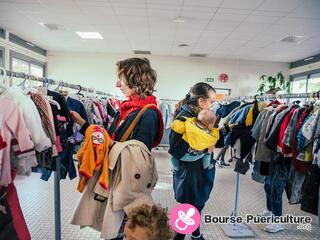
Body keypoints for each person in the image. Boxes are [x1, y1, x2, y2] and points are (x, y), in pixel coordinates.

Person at [71, 57, 164, 240]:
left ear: (135, 80)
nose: (117, 84)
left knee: (120, 233)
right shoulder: (127, 109)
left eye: (120, 78)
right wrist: (84, 126)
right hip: (118, 184)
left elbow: (136, 161)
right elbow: (111, 140)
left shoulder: (148, 114)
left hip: (126, 191)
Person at [169, 82, 228, 240]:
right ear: (201, 101)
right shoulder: (185, 118)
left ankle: (195, 234)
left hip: (198, 169)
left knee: (197, 202)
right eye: (211, 100)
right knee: (190, 204)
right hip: (190, 170)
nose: (213, 104)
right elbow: (176, 149)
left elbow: (210, 137)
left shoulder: (198, 116)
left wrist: (223, 132)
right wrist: (204, 148)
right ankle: (180, 237)